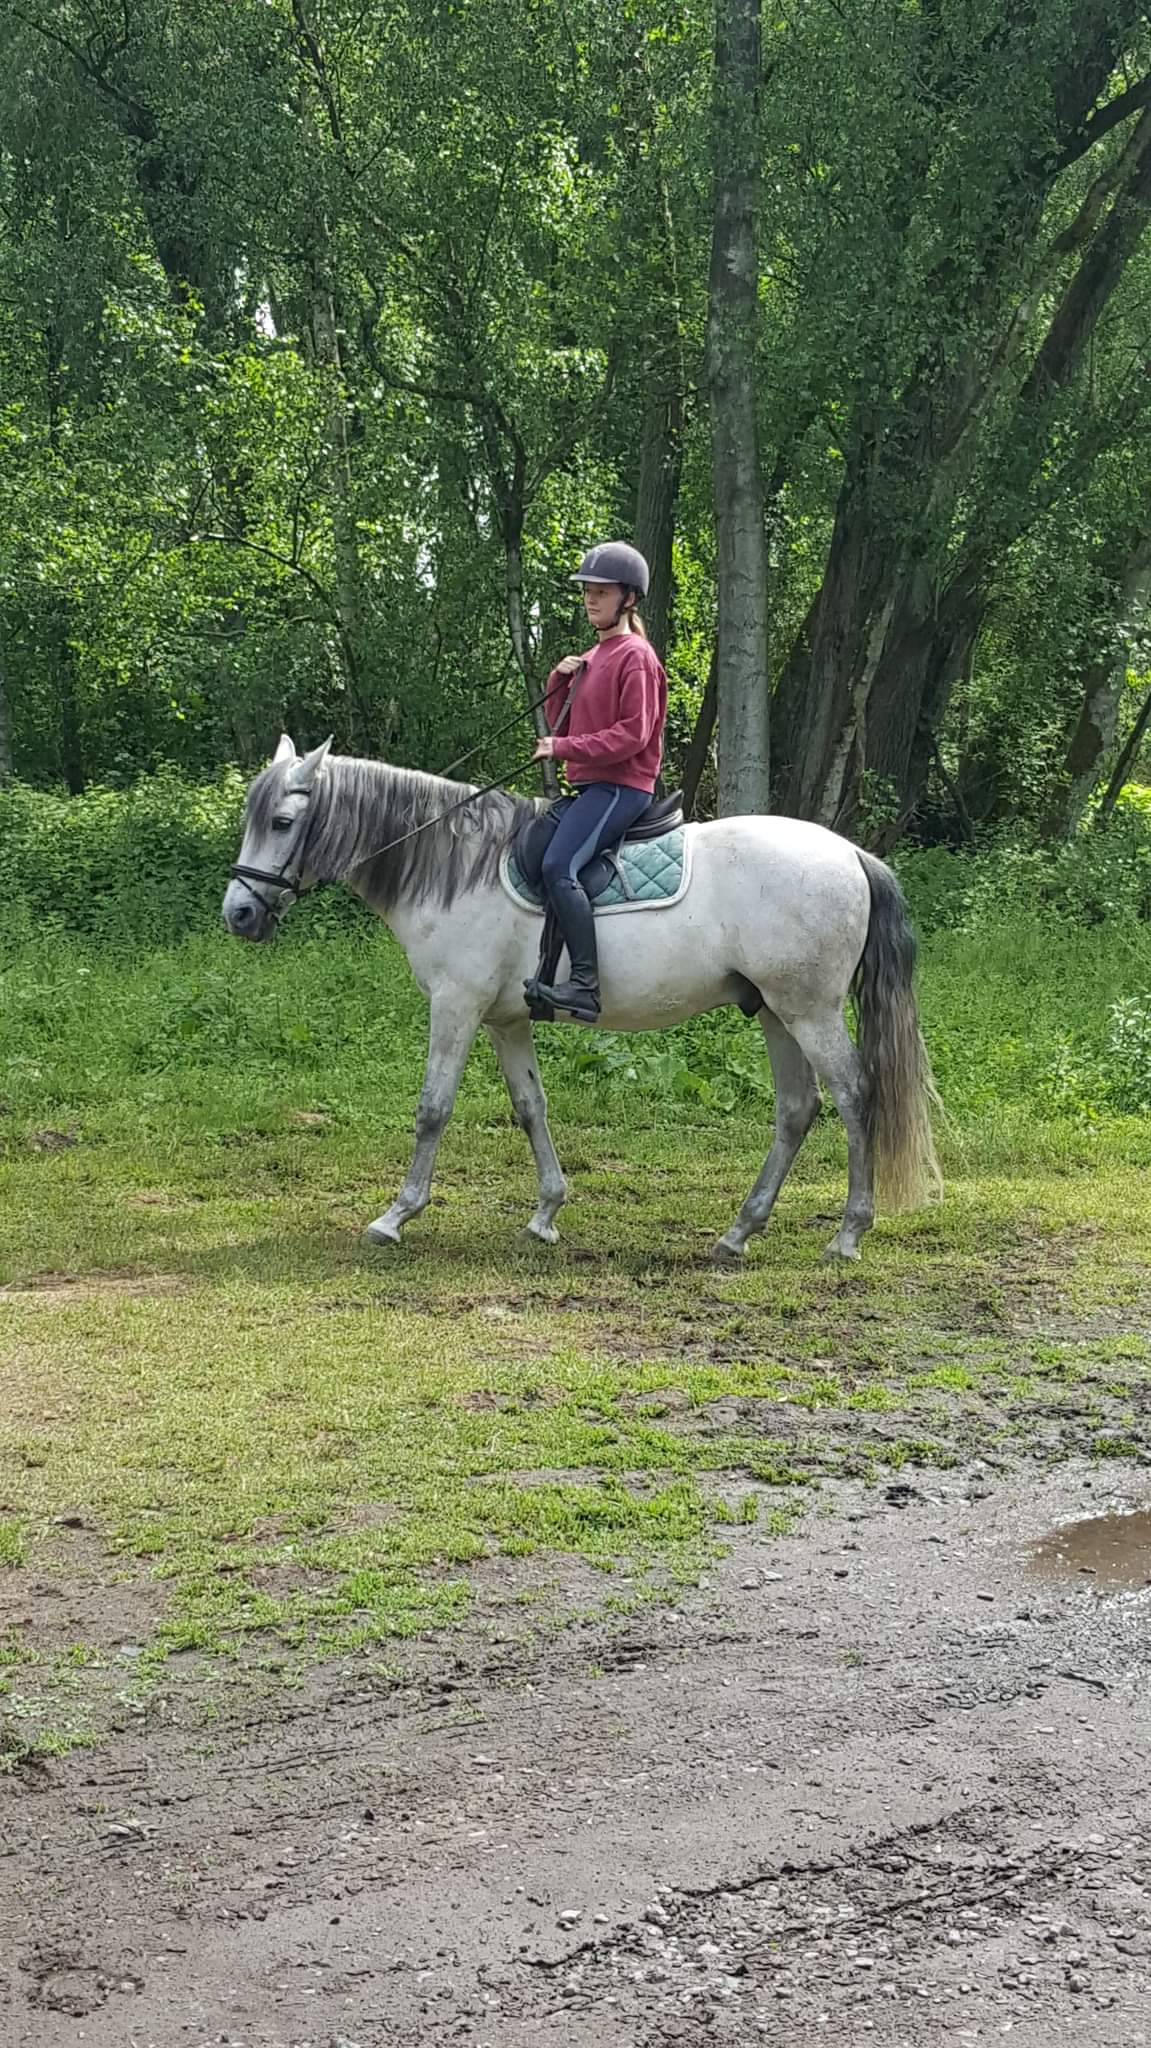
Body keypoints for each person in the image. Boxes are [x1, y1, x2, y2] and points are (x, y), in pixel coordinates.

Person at [526, 541, 668, 1022]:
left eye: (602, 592)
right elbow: (563, 725)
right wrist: (557, 682)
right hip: (593, 787)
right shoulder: (592, 657)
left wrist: (563, 748)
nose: (591, 598)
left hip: (621, 786)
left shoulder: (636, 657)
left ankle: (585, 986)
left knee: (558, 866)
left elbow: (634, 735)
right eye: (587, 590)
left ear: (629, 598)